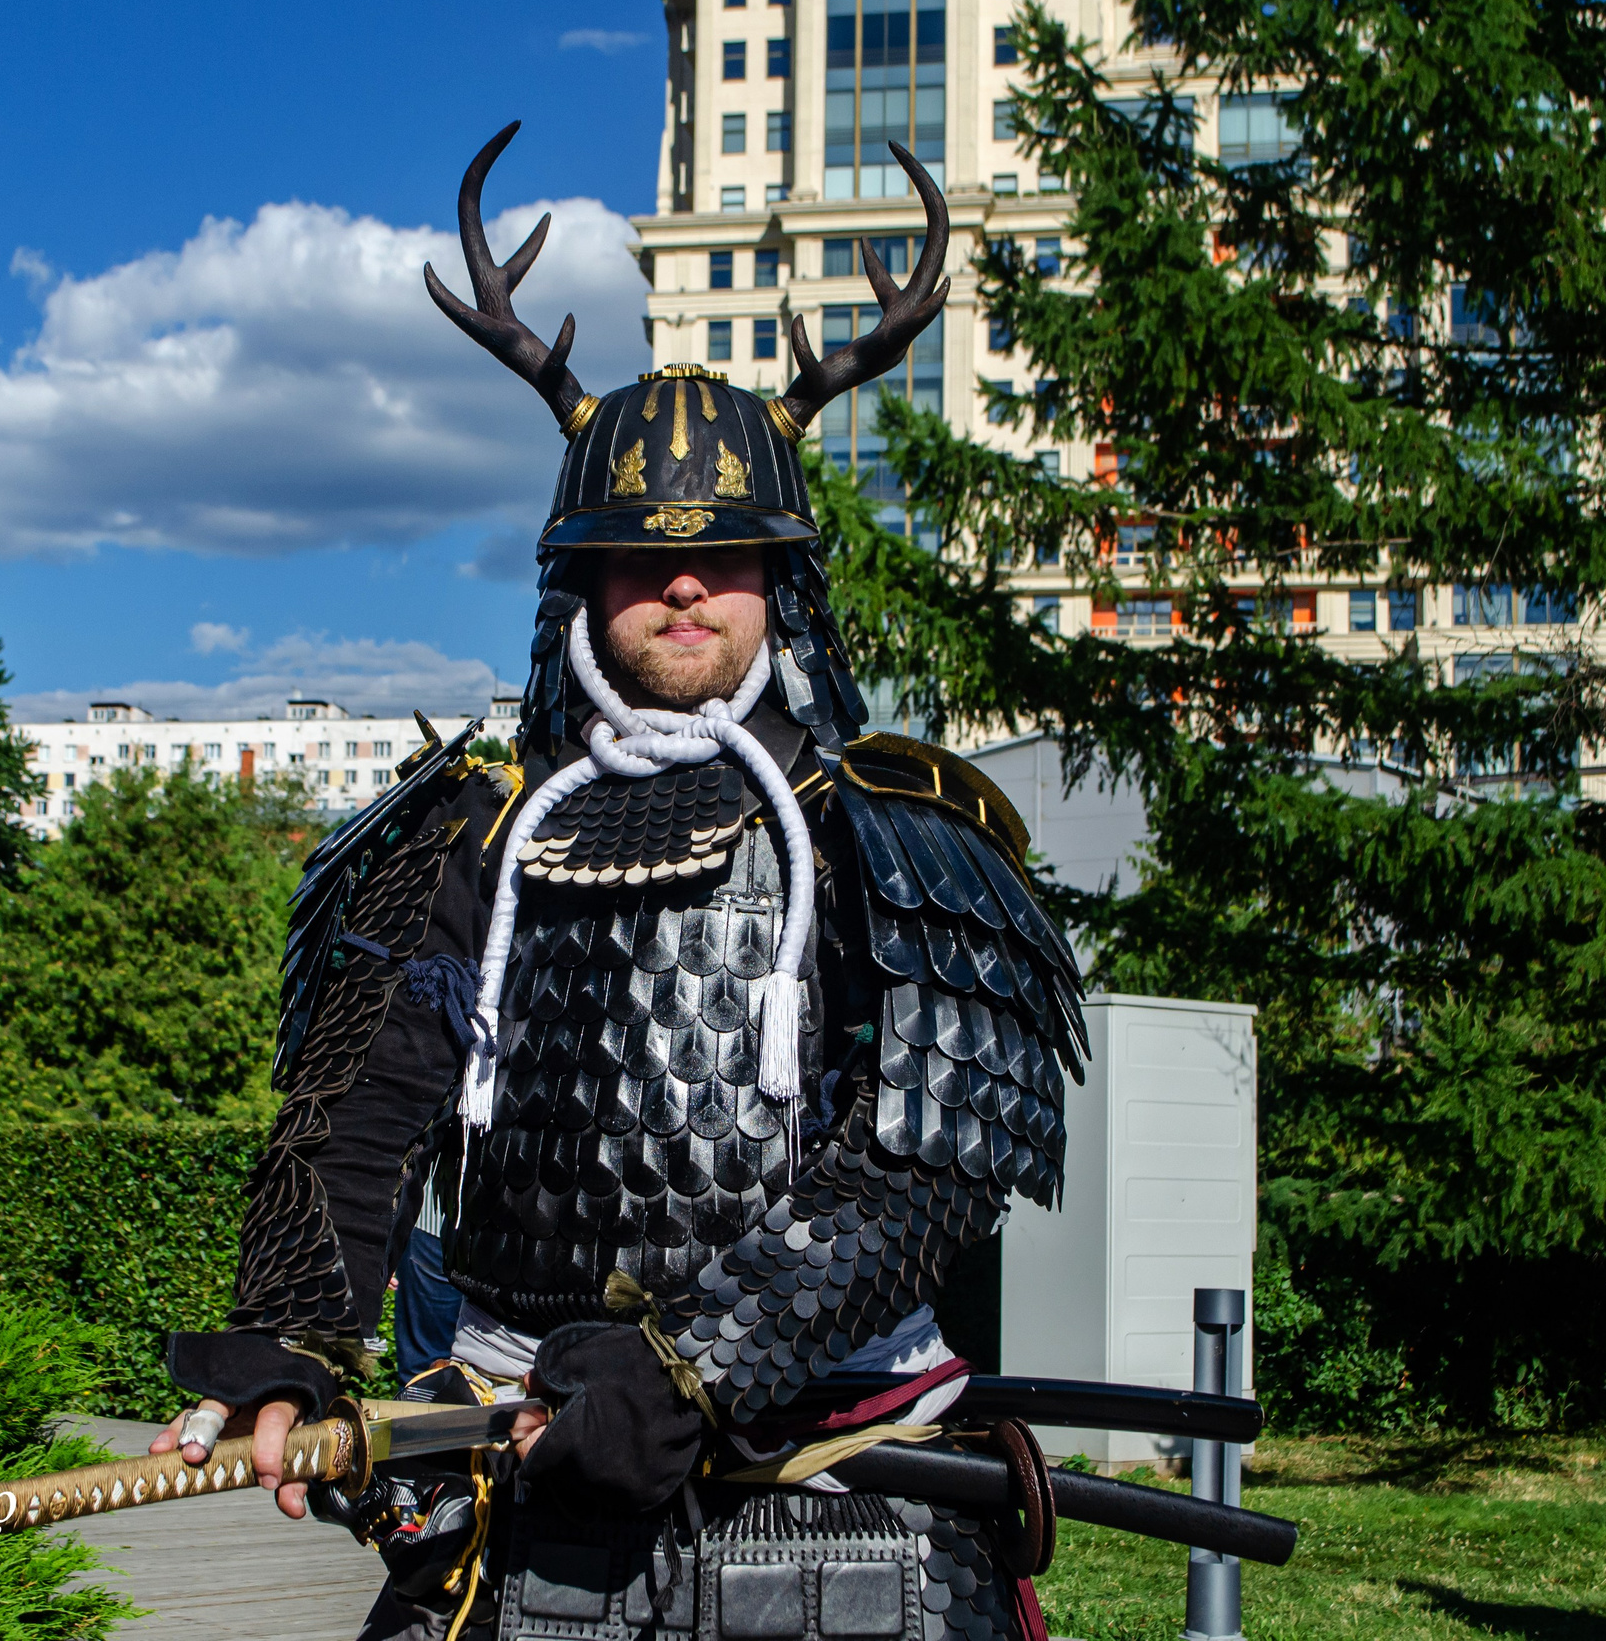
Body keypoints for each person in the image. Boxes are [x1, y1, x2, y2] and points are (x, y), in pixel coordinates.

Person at [151, 126, 1085, 1641]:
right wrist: (294, 1341)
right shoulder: (469, 831)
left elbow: (930, 1158)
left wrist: (699, 1365)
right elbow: (359, 1114)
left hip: (838, 1472)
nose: (683, 585)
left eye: (725, 552)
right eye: (641, 557)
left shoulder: (884, 827)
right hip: (514, 1463)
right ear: (576, 577)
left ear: (782, 575)